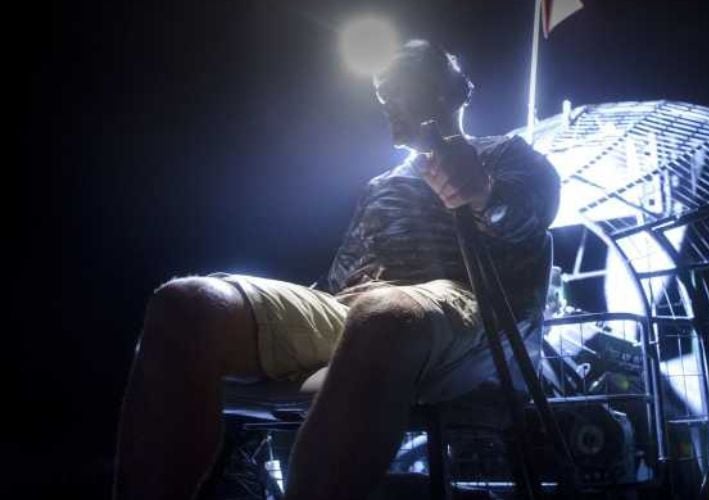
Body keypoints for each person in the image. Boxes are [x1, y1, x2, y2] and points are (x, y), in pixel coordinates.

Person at [112, 39, 561, 500]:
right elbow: (342, 277)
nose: (387, 104)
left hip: (462, 307)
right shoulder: (380, 185)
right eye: (382, 93)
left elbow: (530, 219)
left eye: (401, 87)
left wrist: (483, 191)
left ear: (451, 92)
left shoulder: (508, 155)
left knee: (382, 314)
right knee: (186, 305)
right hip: (353, 308)